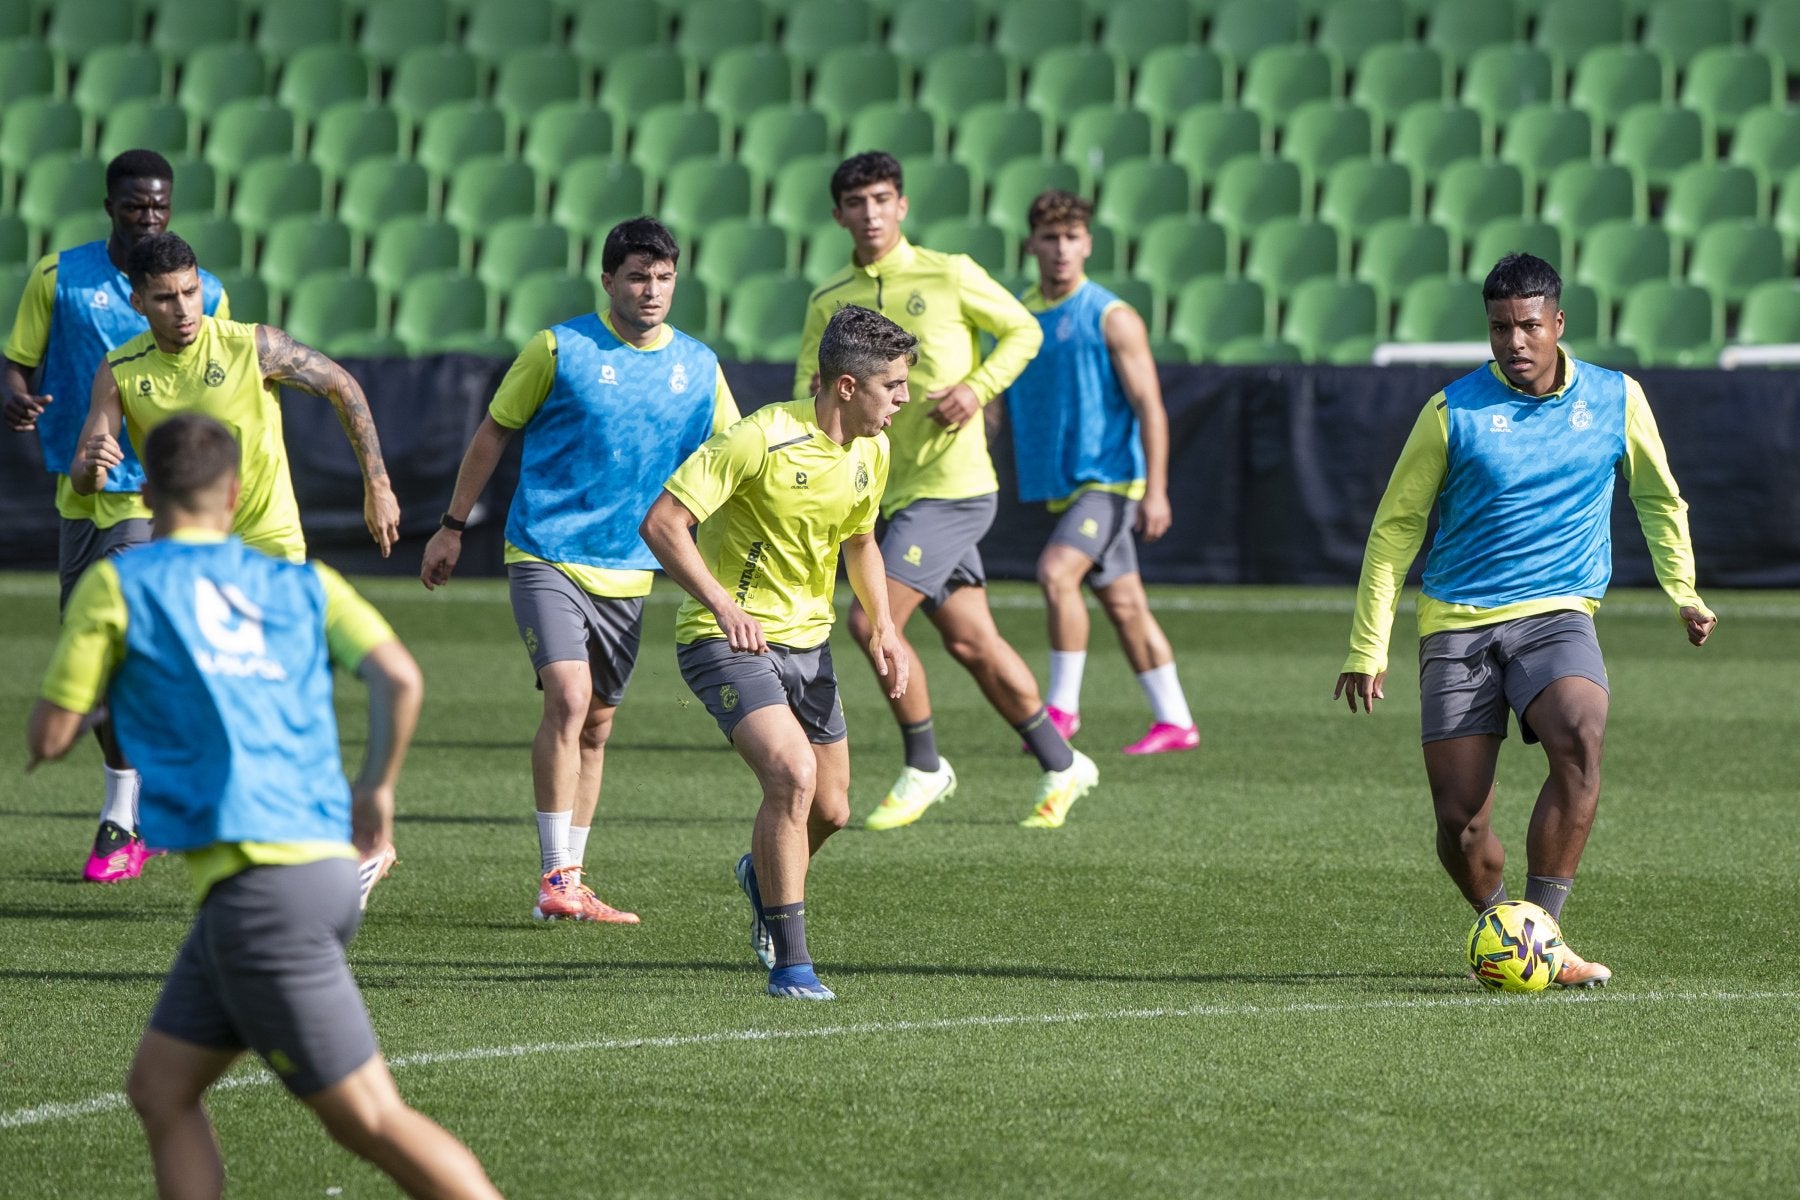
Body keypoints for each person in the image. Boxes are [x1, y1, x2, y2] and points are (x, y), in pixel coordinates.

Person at [26, 413, 501, 1200]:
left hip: (264, 893)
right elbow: (400, 677)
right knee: (161, 1088)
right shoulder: (304, 582)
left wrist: (103, 698)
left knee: (370, 1119)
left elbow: (49, 737)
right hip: (309, 870)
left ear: (145, 492)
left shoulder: (121, 583)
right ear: (235, 494)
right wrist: (376, 786)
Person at [1334, 253, 1716, 988]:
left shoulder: (1616, 398)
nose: (1514, 341)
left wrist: (1684, 591)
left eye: (1529, 326)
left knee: (1580, 731)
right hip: (1458, 622)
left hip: (1557, 612)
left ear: (1558, 323)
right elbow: (1395, 529)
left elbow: (1659, 497)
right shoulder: (1451, 412)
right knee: (1461, 824)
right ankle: (1502, 924)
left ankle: (1544, 935)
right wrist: (1367, 645)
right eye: (1500, 328)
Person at [419, 216, 739, 924]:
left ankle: (571, 880)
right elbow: (494, 431)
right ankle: (553, 877)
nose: (651, 290)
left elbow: (732, 459)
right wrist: (451, 526)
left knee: (597, 726)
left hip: (631, 568)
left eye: (663, 278)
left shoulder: (699, 366)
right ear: (607, 281)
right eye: (637, 277)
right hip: (545, 548)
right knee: (568, 696)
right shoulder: (558, 348)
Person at [792, 151, 1097, 832]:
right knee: (972, 642)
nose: (871, 213)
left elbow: (1023, 329)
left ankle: (925, 764)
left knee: (872, 621)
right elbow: (806, 387)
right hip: (886, 492)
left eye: (882, 199)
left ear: (902, 205)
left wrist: (978, 388)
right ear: (838, 215)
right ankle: (1063, 762)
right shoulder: (827, 299)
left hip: (954, 488)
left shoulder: (949, 272)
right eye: (856, 202)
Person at [642, 304, 911, 1001]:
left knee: (833, 809)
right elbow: (664, 523)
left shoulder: (872, 450)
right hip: (724, 640)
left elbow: (861, 542)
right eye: (893, 386)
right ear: (847, 387)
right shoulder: (759, 437)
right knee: (792, 776)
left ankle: (761, 874)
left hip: (809, 646)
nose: (905, 400)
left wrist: (884, 625)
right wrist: (722, 605)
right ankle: (792, 966)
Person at [4, 150, 229, 883]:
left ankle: (123, 818)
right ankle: (148, 798)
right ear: (110, 206)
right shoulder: (58, 277)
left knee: (117, 653)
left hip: (149, 498)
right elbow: (18, 363)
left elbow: (222, 386)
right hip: (79, 494)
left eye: (160, 205)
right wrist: (14, 396)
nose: (149, 216)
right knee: (97, 662)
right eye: (136, 205)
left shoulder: (204, 292)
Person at [70, 231, 400, 568]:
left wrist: (378, 484)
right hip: (186, 548)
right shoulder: (119, 371)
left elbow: (341, 385)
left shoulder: (253, 346)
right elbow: (84, 480)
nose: (183, 309)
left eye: (190, 292)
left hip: (269, 540)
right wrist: (94, 465)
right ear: (138, 303)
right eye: (165, 298)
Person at [1009, 189, 1199, 756]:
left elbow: (1150, 407)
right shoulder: (1018, 316)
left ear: (1088, 244)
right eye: (1050, 237)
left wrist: (1156, 490)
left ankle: (1062, 710)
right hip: (1065, 485)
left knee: (1056, 574)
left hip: (1110, 480)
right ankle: (1176, 721)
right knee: (1125, 605)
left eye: (1072, 237)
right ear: (1031, 244)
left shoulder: (1112, 316)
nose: (1062, 249)